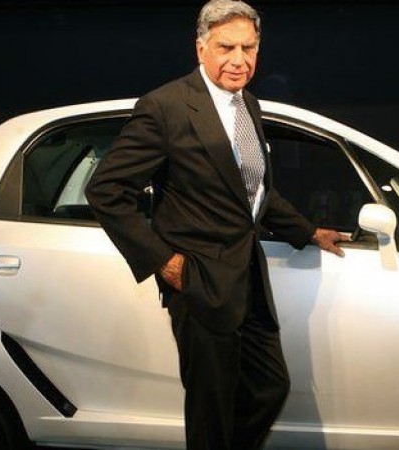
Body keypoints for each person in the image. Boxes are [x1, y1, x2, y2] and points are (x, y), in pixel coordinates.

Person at [85, 1, 348, 448]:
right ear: (201, 48)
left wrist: (305, 231)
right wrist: (165, 263)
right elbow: (106, 191)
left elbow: (252, 192)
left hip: (247, 280)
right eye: (227, 47)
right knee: (211, 409)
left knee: (269, 388)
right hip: (199, 281)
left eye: (249, 48)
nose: (239, 60)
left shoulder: (248, 103)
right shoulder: (165, 107)